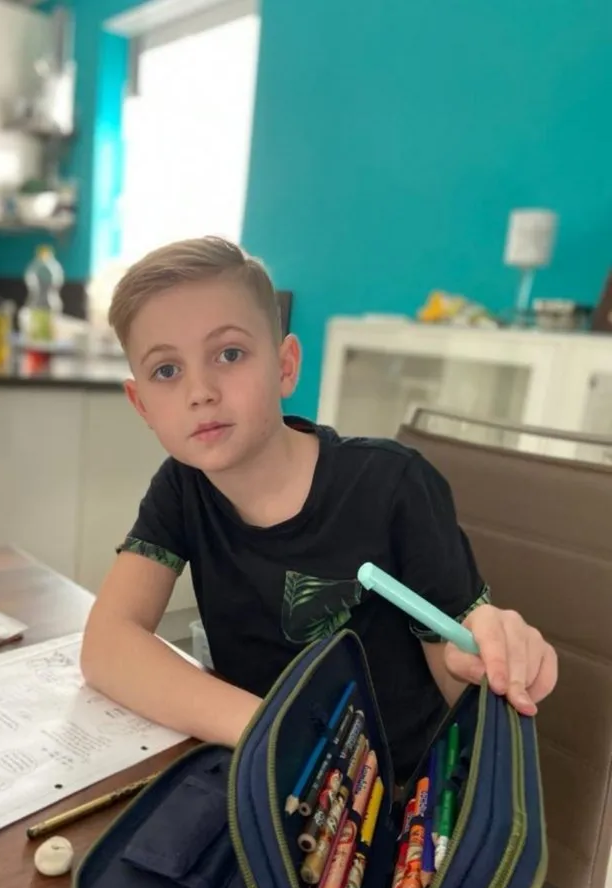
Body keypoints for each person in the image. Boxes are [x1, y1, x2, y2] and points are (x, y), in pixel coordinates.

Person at [80, 236, 557, 782]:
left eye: (229, 354)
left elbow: (458, 683)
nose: (200, 391)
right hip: (276, 778)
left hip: (397, 797)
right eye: (167, 370)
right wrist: (272, 732)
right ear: (141, 404)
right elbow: (107, 644)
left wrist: (492, 658)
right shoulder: (183, 486)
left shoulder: (394, 485)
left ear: (285, 366)